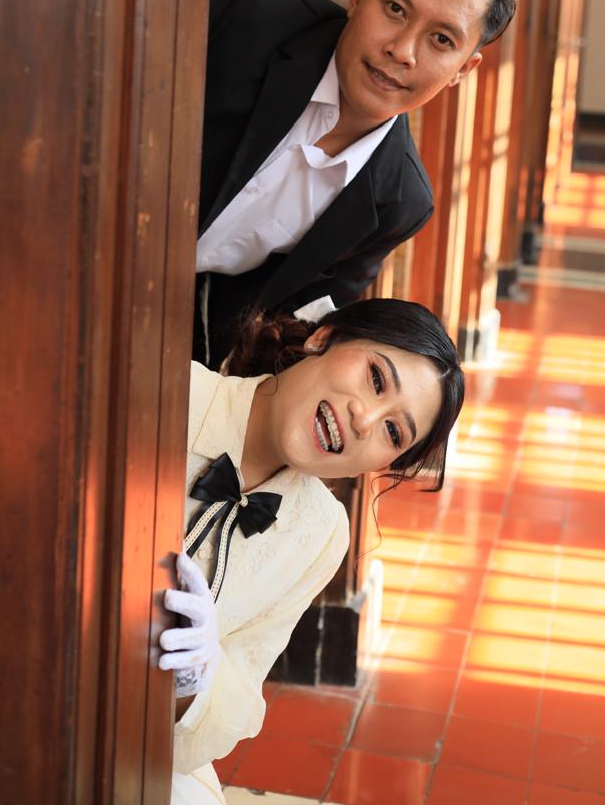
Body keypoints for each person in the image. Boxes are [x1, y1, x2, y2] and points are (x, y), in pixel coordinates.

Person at [160, 297, 465, 804]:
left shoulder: (322, 533)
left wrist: (195, 679)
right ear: (323, 338)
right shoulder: (169, 391)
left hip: (147, 745)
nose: (366, 419)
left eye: (393, 432)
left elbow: (235, 699)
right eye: (375, 378)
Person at [194, 0, 515, 365]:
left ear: (463, 70)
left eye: (441, 40)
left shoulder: (399, 202)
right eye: (396, 10)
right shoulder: (248, 5)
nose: (402, 50)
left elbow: (292, 327)